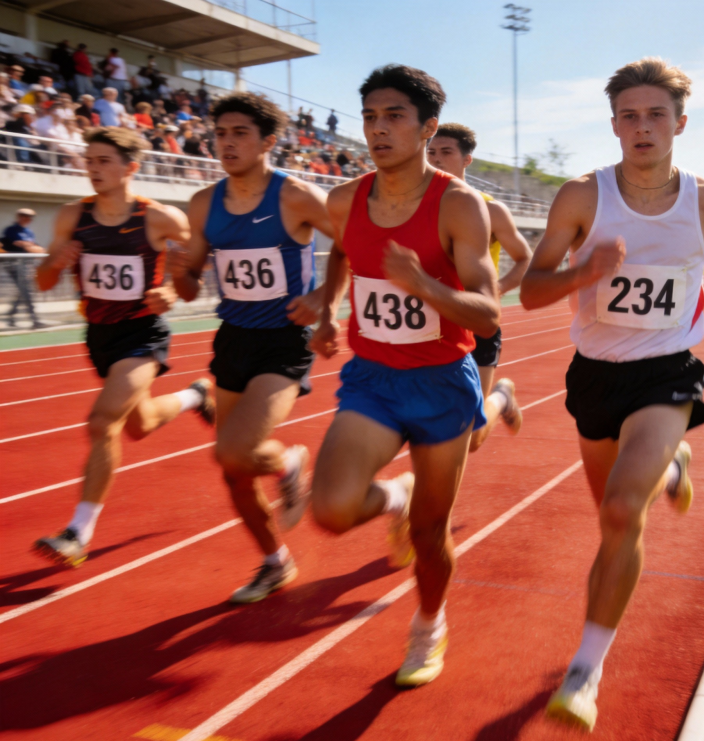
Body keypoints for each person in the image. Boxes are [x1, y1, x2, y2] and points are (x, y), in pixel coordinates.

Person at [519, 57, 704, 731]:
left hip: (666, 371)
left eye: (656, 114)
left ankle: (585, 670)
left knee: (624, 513)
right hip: (595, 375)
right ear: (614, 124)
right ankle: (671, 464)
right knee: (612, 518)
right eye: (629, 115)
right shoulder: (580, 198)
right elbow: (532, 293)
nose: (642, 127)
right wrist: (583, 274)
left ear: (680, 123)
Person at [310, 65, 500, 687]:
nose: (378, 129)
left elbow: (489, 310)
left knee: (430, 534)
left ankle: (428, 623)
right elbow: (341, 250)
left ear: (428, 128)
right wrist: (327, 303)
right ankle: (395, 494)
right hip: (373, 379)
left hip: (442, 380)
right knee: (333, 508)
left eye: (394, 116)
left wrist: (422, 284)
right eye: (370, 117)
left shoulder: (460, 204)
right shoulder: (345, 199)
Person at [169, 92, 347, 604]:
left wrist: (323, 301)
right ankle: (275, 561)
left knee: (234, 449)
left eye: (239, 133)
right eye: (220, 134)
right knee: (233, 471)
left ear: (268, 141)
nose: (226, 143)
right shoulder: (204, 203)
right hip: (234, 338)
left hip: (283, 339)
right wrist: (180, 272)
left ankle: (290, 463)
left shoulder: (294, 195)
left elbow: (351, 245)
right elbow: (188, 286)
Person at [32, 127, 215, 568]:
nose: (93, 169)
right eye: (89, 161)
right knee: (140, 423)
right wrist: (56, 262)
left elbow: (195, 263)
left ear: (131, 167)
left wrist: (172, 292)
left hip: (142, 334)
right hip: (98, 335)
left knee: (102, 423)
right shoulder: (72, 217)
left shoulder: (158, 218)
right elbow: (42, 280)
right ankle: (197, 395)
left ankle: (78, 532)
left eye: (103, 161)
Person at [427, 122, 532, 452]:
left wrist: (498, 288)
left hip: (477, 322)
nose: (437, 159)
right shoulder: (419, 206)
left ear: (467, 159)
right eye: (431, 152)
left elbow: (524, 258)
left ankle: (501, 396)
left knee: (472, 436)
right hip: (433, 321)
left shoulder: (489, 208)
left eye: (446, 152)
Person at [2, 208, 46, 328]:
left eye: (29, 217)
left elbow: (35, 247)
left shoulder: (29, 232)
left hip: (26, 265)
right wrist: (31, 247)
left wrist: (36, 249)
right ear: (19, 217)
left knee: (23, 291)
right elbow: (21, 244)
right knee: (26, 291)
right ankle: (34, 319)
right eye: (24, 216)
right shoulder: (11, 230)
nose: (27, 219)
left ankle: (11, 316)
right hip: (14, 265)